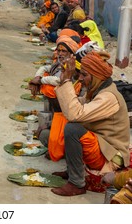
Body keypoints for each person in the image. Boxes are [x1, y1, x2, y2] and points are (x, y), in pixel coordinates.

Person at [49, 51, 130, 196]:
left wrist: (67, 81)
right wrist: (63, 81)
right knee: (49, 134)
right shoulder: (97, 90)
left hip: (110, 154)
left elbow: (75, 114)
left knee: (73, 129)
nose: (80, 78)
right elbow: (73, 107)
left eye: (84, 75)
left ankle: (76, 183)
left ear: (97, 76)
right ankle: (72, 171)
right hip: (99, 145)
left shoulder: (108, 97)